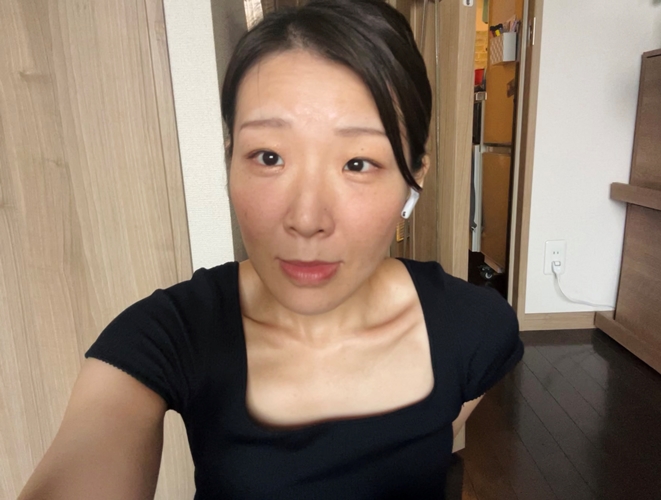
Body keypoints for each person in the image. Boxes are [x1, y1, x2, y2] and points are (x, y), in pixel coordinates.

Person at [19, 0, 523, 498]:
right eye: (268, 156)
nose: (306, 219)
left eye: (357, 163)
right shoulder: (171, 334)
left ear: (414, 179)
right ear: (230, 162)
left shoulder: (475, 329)